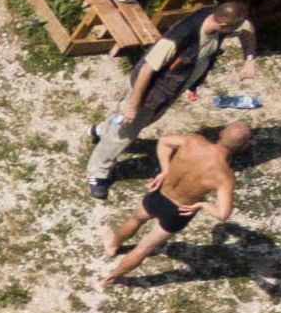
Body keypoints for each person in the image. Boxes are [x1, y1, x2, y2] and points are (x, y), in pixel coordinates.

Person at [82, 0, 262, 191]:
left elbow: (247, 28)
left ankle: (102, 131)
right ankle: (97, 172)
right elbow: (146, 70)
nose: (239, 28)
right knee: (124, 134)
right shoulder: (181, 37)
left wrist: (249, 60)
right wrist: (133, 106)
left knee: (134, 123)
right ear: (224, 25)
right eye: (235, 27)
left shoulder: (219, 20)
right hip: (147, 92)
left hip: (168, 90)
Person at [99, 115, 243, 282]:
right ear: (243, 147)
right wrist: (202, 204)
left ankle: (112, 245)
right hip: (178, 212)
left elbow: (164, 141)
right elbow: (223, 214)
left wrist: (165, 170)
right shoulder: (225, 176)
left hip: (160, 194)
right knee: (144, 248)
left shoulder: (194, 141)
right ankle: (111, 278)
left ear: (221, 133)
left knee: (134, 220)